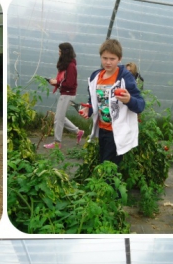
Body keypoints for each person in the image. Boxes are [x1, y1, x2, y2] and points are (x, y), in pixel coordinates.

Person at [81, 39, 145, 168]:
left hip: (116, 132)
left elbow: (140, 104)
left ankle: (107, 187)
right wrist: (89, 109)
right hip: (102, 128)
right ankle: (107, 186)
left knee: (107, 166)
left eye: (112, 58)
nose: (108, 62)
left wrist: (129, 100)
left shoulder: (124, 77)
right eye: (105, 58)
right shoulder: (96, 77)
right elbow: (93, 99)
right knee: (105, 164)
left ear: (119, 59)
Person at [44, 42, 84, 149]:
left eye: (60, 51)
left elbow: (70, 83)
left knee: (58, 119)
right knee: (60, 117)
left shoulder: (71, 66)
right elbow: (65, 80)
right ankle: (78, 131)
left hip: (67, 94)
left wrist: (56, 83)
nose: (58, 53)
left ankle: (57, 143)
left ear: (65, 52)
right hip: (65, 93)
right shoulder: (68, 65)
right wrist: (57, 82)